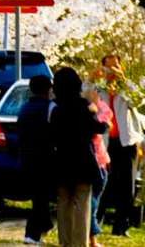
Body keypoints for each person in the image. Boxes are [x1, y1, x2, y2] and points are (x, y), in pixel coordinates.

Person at [51, 67, 110, 247]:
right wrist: (96, 111)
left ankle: (65, 242)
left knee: (63, 204)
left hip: (61, 160)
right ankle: (80, 243)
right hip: (83, 161)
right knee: (82, 206)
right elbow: (100, 128)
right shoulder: (83, 106)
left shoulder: (56, 109)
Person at [94, 54, 144, 236]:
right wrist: (94, 77)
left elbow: (139, 100)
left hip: (127, 141)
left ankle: (121, 226)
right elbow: (86, 95)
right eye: (108, 68)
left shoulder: (126, 90)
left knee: (127, 186)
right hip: (105, 143)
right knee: (103, 183)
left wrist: (123, 81)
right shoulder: (98, 90)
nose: (112, 72)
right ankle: (95, 222)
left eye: (116, 67)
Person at [20, 74, 55, 244]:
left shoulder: (25, 108)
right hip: (46, 158)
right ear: (49, 89)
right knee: (41, 198)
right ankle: (33, 233)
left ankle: (42, 227)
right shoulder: (49, 108)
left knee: (38, 197)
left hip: (28, 157)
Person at [85, 82, 113, 246]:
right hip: (94, 160)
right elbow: (103, 125)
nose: (98, 94)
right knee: (92, 202)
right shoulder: (87, 111)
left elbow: (107, 116)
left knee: (94, 200)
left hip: (102, 159)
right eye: (95, 92)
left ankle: (91, 236)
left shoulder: (96, 108)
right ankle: (92, 237)